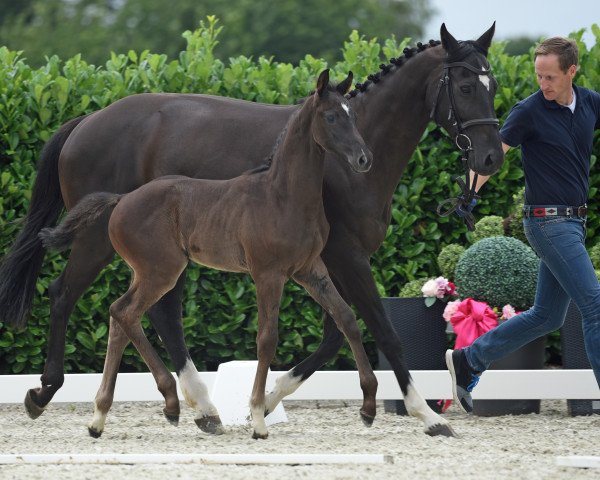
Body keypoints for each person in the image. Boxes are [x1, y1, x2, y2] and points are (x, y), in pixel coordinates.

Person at [447, 36, 600, 413]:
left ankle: (470, 359)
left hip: (574, 223)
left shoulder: (591, 103)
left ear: (571, 72)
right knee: (595, 306)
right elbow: (493, 155)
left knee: (547, 315)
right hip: (547, 223)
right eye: (538, 76)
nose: (543, 84)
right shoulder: (529, 110)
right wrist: (467, 193)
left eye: (550, 77)